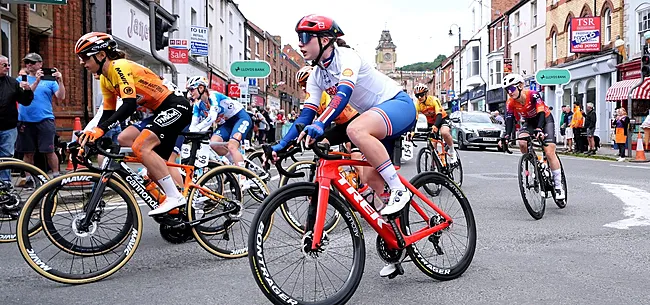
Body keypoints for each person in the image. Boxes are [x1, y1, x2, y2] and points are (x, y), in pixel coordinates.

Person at [295, 15, 416, 276]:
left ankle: (399, 189)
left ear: (325, 40)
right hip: (375, 118)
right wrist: (280, 145)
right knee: (372, 179)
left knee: (355, 129)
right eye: (299, 38)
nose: (301, 44)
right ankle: (397, 244)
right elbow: (307, 112)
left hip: (398, 105)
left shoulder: (347, 57)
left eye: (305, 38)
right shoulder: (318, 74)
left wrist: (320, 126)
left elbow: (343, 96)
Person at [75, 32, 192, 216]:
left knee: (141, 146)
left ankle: (174, 197)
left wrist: (101, 129)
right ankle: (182, 203)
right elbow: (107, 113)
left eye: (84, 57)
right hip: (159, 111)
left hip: (177, 106)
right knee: (125, 138)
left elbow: (129, 105)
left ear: (100, 55)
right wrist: (89, 135)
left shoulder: (118, 66)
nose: (82, 62)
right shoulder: (105, 79)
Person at [500, 73, 564, 200]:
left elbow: (540, 112)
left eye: (511, 89)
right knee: (522, 143)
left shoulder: (533, 94)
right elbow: (509, 119)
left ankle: (558, 186)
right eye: (507, 90)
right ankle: (535, 165)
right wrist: (506, 136)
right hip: (529, 122)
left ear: (520, 86)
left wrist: (539, 129)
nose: (510, 92)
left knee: (549, 152)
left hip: (545, 120)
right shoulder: (510, 102)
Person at [185, 76, 252, 171]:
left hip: (240, 118)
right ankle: (233, 162)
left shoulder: (213, 97)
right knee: (214, 143)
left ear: (200, 88)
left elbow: (212, 117)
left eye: (191, 90)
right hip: (227, 123)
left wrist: (199, 129)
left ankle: (244, 177)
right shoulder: (198, 104)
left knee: (232, 146)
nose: (190, 93)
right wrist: (191, 133)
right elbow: (194, 123)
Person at [16, 52, 66, 178]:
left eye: (32, 62)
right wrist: (37, 81)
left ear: (40, 64)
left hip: (45, 119)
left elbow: (61, 96)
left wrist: (60, 81)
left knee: (49, 150)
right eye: (26, 62)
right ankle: (28, 178)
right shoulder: (21, 79)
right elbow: (25, 96)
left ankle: (56, 176)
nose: (29, 65)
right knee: (28, 152)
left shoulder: (49, 81)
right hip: (25, 120)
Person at [0, 55, 34, 181]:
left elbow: (25, 102)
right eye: (5, 65)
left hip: (8, 127)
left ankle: (5, 186)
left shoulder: (13, 82)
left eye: (8, 64)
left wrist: (27, 90)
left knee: (7, 157)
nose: (8, 67)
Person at [410, 83, 456, 163]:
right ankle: (434, 166)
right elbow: (415, 118)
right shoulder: (418, 104)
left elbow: (439, 114)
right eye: (417, 96)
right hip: (431, 123)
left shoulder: (434, 100)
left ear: (426, 94)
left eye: (421, 95)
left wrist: (436, 126)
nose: (420, 97)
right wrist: (412, 131)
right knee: (432, 146)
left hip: (441, 119)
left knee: (444, 132)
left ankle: (452, 152)